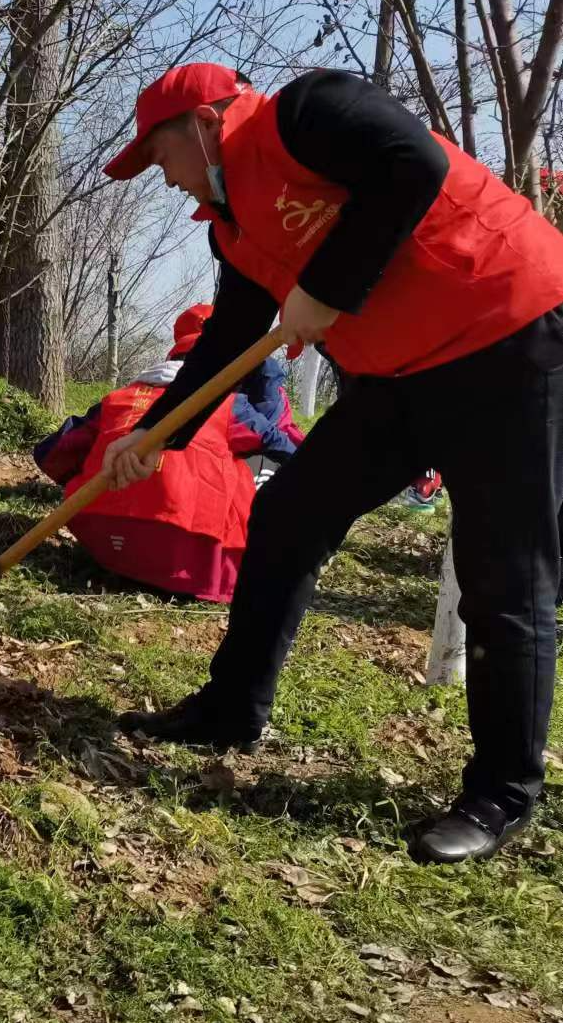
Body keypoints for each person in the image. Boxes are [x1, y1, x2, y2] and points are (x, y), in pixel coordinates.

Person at [100, 63, 563, 863]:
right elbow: (228, 343)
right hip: (401, 375)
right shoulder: (231, 226)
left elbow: (411, 164)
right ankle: (230, 708)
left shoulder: (307, 112)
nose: (167, 180)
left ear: (206, 124)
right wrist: (155, 438)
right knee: (287, 513)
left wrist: (327, 284)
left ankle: (503, 795)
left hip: (507, 337)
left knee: (505, 573)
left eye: (162, 156)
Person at [34, 304, 303, 602]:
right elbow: (283, 446)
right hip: (187, 552)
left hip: (101, 540)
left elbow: (52, 452)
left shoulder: (118, 398)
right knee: (246, 464)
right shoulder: (233, 405)